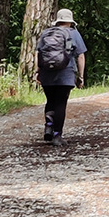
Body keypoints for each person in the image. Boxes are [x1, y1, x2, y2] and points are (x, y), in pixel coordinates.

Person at [35, 9, 87, 147]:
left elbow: (38, 53)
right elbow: (80, 56)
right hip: (66, 73)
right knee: (60, 104)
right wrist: (80, 76)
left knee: (50, 100)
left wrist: (37, 72)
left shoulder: (46, 33)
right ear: (70, 22)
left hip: (46, 73)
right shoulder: (73, 33)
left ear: (57, 21)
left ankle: (49, 126)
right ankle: (57, 136)